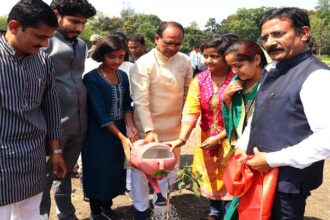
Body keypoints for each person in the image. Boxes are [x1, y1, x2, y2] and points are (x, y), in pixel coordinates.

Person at [235, 7, 330, 219]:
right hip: (257, 172)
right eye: (265, 37)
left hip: (287, 182)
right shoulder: (272, 69)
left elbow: (326, 138)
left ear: (303, 33)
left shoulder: (318, 77)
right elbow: (261, 114)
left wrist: (271, 160)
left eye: (278, 34)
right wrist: (242, 145)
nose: (269, 43)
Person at [0, 0, 67, 219]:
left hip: (33, 158)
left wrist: (56, 151)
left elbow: (51, 108)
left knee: (30, 214)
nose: (45, 44)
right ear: (13, 27)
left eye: (49, 37)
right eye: (40, 37)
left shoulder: (43, 61)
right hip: (2, 161)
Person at [168, 34, 238, 220]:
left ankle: (230, 213)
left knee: (232, 176)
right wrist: (182, 138)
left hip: (233, 138)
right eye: (205, 55)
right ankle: (215, 210)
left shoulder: (238, 79)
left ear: (228, 56)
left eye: (214, 56)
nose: (208, 60)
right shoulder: (200, 80)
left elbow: (241, 118)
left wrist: (220, 137)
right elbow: (191, 111)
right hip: (207, 136)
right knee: (212, 174)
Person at [130, 21, 192, 219]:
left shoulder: (184, 61)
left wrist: (184, 126)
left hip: (173, 128)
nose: (173, 48)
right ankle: (140, 209)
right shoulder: (143, 64)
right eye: (168, 43)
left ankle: (161, 203)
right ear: (156, 39)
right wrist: (148, 129)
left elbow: (188, 94)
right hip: (147, 129)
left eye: (178, 44)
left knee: (170, 167)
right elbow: (140, 100)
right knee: (141, 171)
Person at [39, 0, 96, 219]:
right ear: (56, 15)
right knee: (41, 179)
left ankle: (66, 214)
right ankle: (40, 215)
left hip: (78, 124)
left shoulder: (81, 45)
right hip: (50, 127)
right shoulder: (43, 43)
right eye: (74, 21)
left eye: (83, 23)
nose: (79, 28)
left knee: (64, 175)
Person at [82, 35, 138, 220]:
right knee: (98, 169)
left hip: (119, 130)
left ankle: (107, 207)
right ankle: (96, 211)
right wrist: (122, 138)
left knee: (115, 169)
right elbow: (99, 112)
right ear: (102, 55)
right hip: (98, 133)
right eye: (112, 56)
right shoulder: (92, 78)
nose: (117, 61)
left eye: (121, 56)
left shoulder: (123, 75)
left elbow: (127, 104)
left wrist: (130, 127)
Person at [220, 40, 268, 220]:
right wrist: (227, 99)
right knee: (240, 195)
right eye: (231, 67)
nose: (234, 71)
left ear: (257, 59)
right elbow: (233, 118)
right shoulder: (236, 83)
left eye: (238, 66)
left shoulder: (270, 83)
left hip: (260, 150)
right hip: (241, 149)